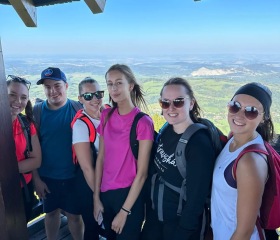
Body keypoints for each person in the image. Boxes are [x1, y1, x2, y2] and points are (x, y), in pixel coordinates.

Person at [141, 77, 216, 240]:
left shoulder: (198, 144)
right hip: (156, 218)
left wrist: (184, 232)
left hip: (180, 225)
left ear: (191, 103)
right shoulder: (166, 130)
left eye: (179, 102)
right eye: (165, 103)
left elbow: (196, 198)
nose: (171, 108)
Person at [93, 64, 154, 240]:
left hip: (129, 195)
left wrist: (124, 211)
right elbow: (101, 158)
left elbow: (141, 173)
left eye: (119, 83)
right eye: (110, 83)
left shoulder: (143, 122)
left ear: (130, 85)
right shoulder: (106, 115)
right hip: (106, 194)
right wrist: (96, 198)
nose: (114, 88)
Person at [211, 82, 273, 239]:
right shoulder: (233, 139)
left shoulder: (249, 161)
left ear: (264, 118)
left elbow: (244, 232)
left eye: (251, 111)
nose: (239, 115)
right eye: (235, 106)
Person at [32, 67, 84, 240]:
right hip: (47, 177)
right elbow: (31, 150)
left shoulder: (78, 109)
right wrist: (36, 179)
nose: (52, 91)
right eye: (47, 87)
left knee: (75, 216)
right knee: (51, 213)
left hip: (73, 176)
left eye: (57, 85)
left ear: (66, 86)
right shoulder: (37, 112)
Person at [72, 77, 105, 240]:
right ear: (80, 99)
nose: (94, 99)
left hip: (108, 178)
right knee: (92, 227)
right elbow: (86, 167)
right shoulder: (81, 125)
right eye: (88, 96)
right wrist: (98, 196)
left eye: (98, 94)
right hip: (88, 183)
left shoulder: (107, 113)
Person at [6, 75, 42, 223]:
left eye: (23, 97)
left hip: (23, 189)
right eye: (12, 95)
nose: (18, 102)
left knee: (20, 228)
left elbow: (36, 161)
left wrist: (6, 170)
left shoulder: (26, 124)